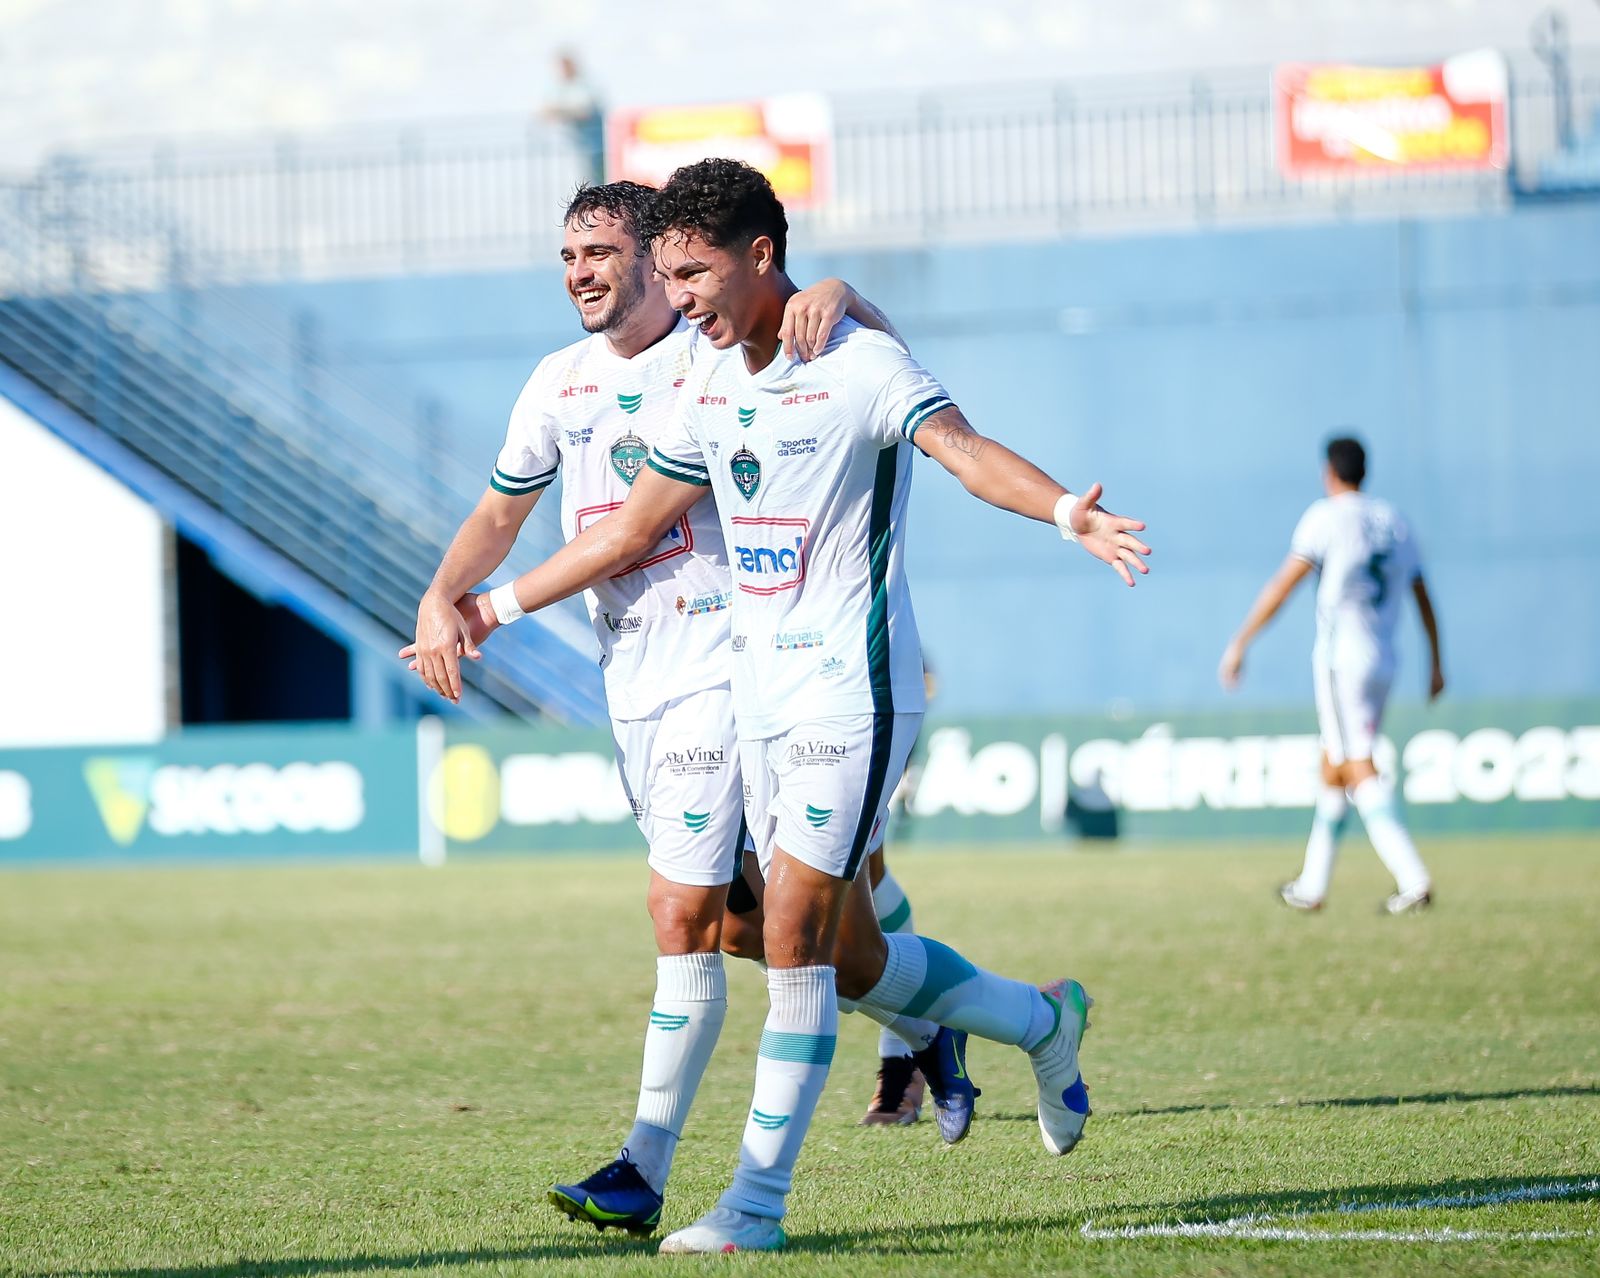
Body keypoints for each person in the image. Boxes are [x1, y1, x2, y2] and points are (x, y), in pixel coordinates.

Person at [443, 158, 1152, 1253]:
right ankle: (1039, 1021)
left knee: (789, 935)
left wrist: (1066, 512)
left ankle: (753, 1206)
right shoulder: (712, 383)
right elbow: (631, 529)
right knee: (839, 951)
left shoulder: (859, 364)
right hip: (758, 694)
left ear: (759, 257)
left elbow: (962, 454)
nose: (680, 298)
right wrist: (485, 609)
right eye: (667, 274)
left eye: (691, 273)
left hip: (852, 691)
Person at [405, 179, 964, 1241]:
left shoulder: (720, 350)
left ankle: (646, 1165)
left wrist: (839, 290)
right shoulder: (556, 382)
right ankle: (947, 1020)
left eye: (606, 252)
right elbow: (498, 510)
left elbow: (868, 356)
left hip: (738, 662)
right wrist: (444, 593)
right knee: (783, 935)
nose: (584, 272)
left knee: (693, 917)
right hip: (637, 677)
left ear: (660, 263)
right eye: (569, 255)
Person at [1219, 435, 1444, 914]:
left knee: (1354, 763)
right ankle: (1312, 886)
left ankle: (1414, 878)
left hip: (1344, 655)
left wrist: (1240, 642)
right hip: (1385, 655)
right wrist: (1437, 660)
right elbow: (1421, 592)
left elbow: (1284, 584)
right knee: (1334, 765)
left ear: (1329, 471)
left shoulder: (1326, 516)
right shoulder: (1394, 520)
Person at [543, 51, 605, 185]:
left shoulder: (584, 85)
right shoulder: (561, 87)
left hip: (595, 146)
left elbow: (584, 111)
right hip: (577, 146)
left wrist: (559, 110)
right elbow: (544, 111)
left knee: (597, 182)